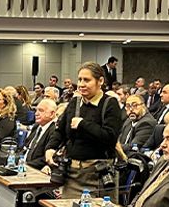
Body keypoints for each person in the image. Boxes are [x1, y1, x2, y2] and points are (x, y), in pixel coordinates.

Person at [45, 62, 124, 199]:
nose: (81, 84)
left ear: (100, 81)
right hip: (72, 174)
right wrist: (51, 148)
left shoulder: (110, 104)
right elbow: (60, 131)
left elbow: (110, 137)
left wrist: (83, 124)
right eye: (80, 79)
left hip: (97, 176)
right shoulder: (74, 102)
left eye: (86, 80)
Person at [23, 99, 59, 170]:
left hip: (36, 168)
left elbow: (47, 157)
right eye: (36, 110)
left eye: (41, 110)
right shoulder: (37, 126)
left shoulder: (55, 130)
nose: (36, 113)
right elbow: (26, 147)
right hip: (24, 164)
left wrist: (26, 165)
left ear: (52, 114)